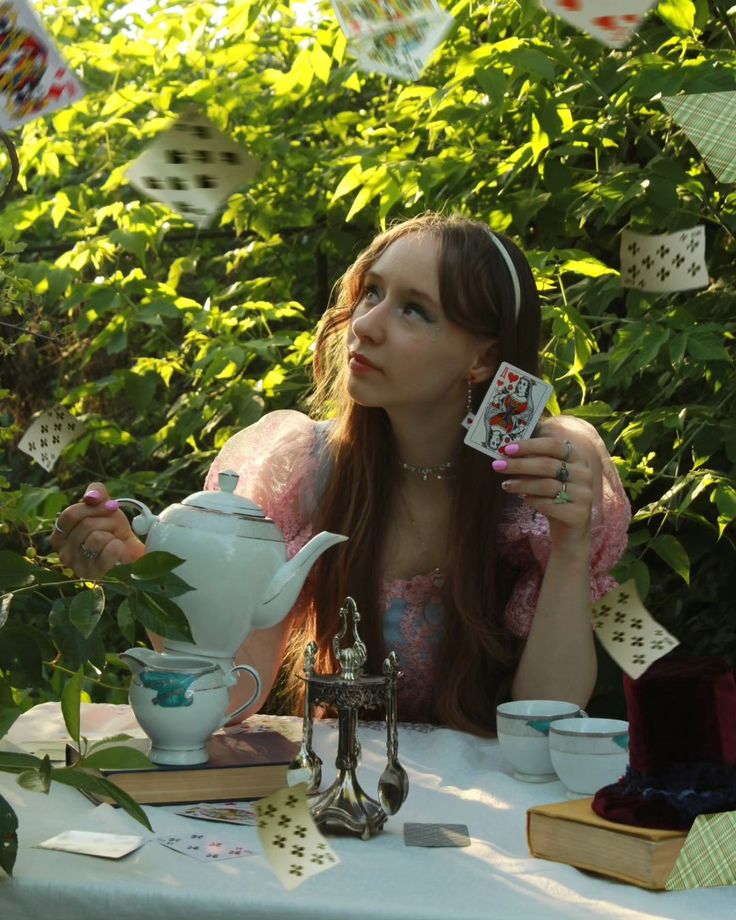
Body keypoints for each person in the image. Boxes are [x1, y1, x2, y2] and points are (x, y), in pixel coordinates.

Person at [51, 213, 630, 736]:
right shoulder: (306, 470)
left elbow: (549, 718)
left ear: (482, 358)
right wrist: (140, 574)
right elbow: (231, 694)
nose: (366, 325)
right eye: (371, 292)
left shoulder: (532, 485)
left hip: (490, 814)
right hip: (343, 795)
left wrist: (570, 545)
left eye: (414, 309)